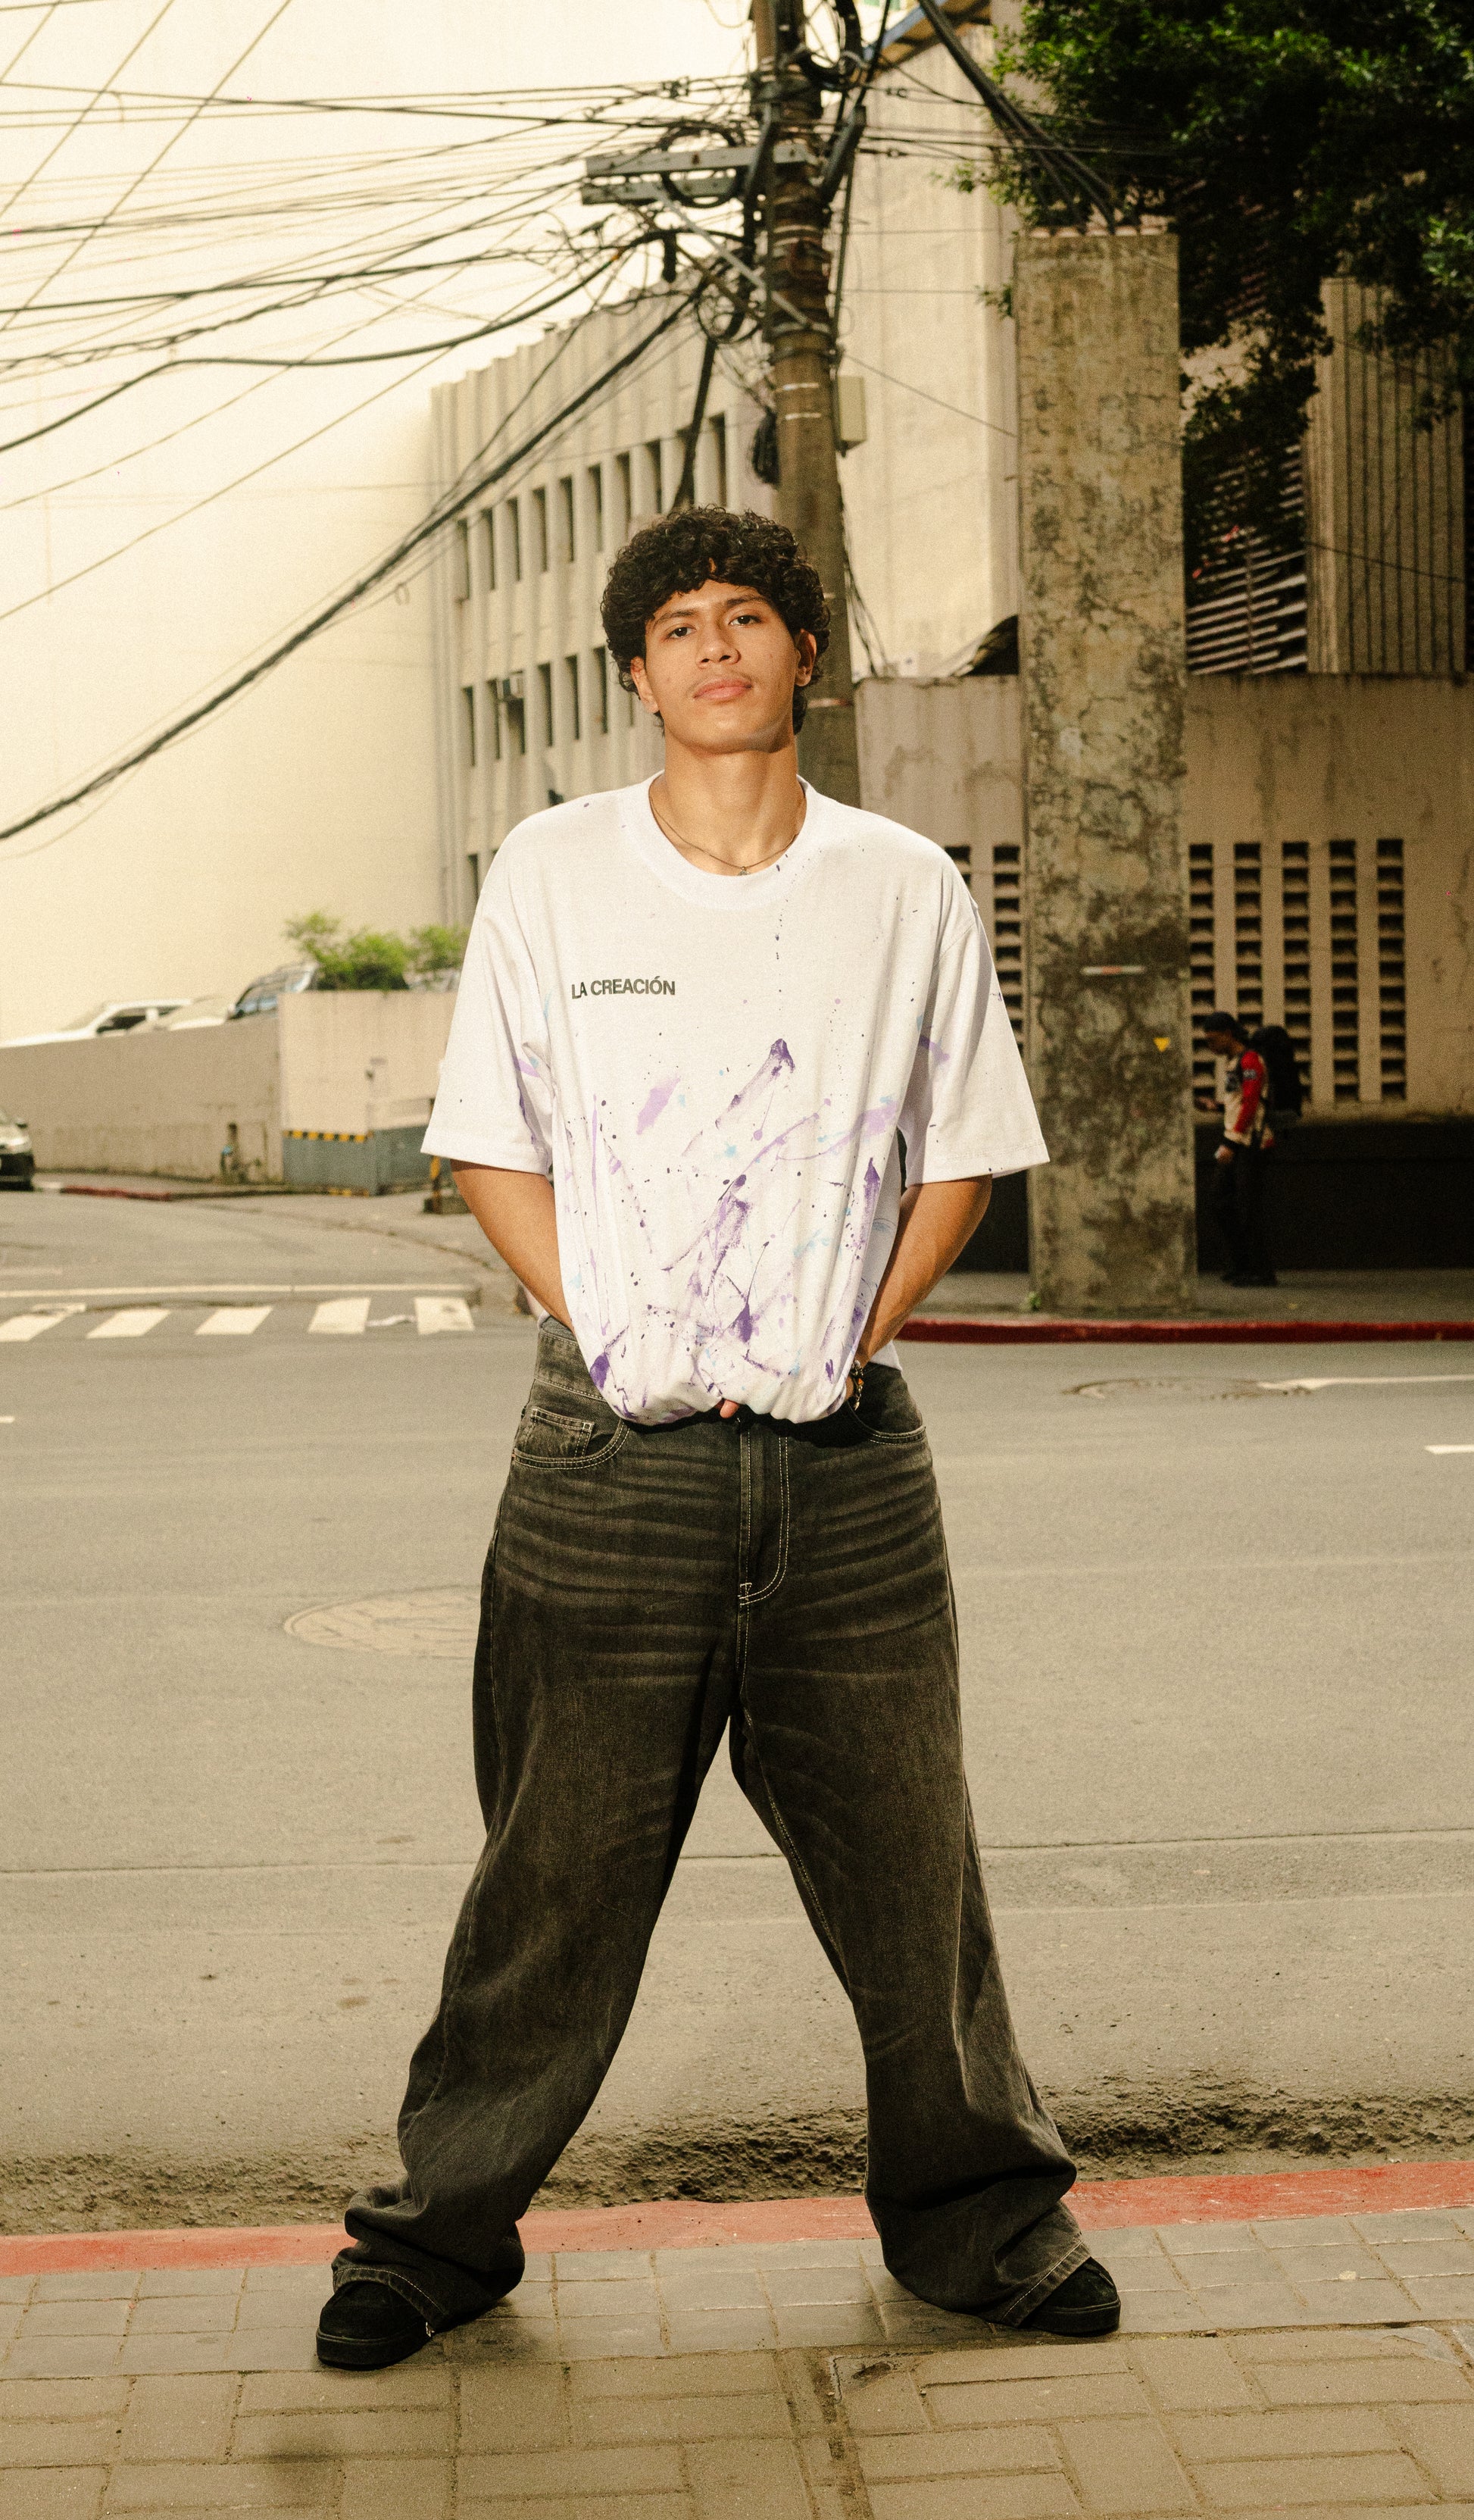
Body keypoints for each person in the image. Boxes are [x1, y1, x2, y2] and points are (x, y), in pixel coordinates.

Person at [315, 504, 1118, 2371]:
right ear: (636, 673)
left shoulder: (900, 885)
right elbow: (487, 1141)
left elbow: (965, 1152)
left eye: (746, 615)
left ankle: (984, 2224)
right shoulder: (554, 870)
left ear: (802, 653)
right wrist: (603, 1326)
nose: (715, 646)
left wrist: (856, 1328)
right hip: (611, 1465)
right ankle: (435, 2241)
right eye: (677, 623)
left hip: (847, 1469)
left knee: (914, 1878)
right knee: (553, 1879)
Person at [1198, 1010, 1276, 1288]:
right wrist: (1217, 1106)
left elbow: (1252, 1102)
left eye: (1213, 1039)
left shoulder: (1250, 1061)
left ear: (1228, 1034)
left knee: (1248, 1208)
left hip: (1251, 1144)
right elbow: (1238, 1101)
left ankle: (1261, 1271)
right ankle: (1242, 1264)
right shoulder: (1233, 1063)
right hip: (1236, 1140)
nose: (1210, 1046)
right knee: (1221, 1201)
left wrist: (1231, 1143)